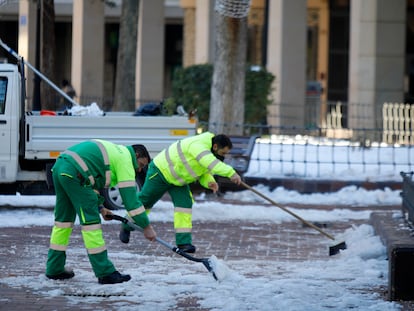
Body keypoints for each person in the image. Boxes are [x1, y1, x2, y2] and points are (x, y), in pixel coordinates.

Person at [45, 139, 156, 284]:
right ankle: (105, 273)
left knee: (63, 222)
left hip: (60, 167)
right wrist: (146, 227)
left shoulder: (115, 152)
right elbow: (131, 202)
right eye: (141, 165)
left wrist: (101, 208)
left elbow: (91, 185)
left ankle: (54, 268)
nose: (140, 170)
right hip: (74, 173)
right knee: (91, 225)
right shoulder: (125, 159)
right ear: (136, 154)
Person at [119, 132, 242, 253]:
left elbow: (203, 170)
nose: (224, 156)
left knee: (185, 205)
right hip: (161, 172)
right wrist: (231, 173)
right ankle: (127, 224)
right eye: (223, 153)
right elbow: (210, 163)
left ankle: (184, 243)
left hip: (178, 180)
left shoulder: (210, 152)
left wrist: (209, 182)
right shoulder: (199, 145)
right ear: (215, 147)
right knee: (145, 200)